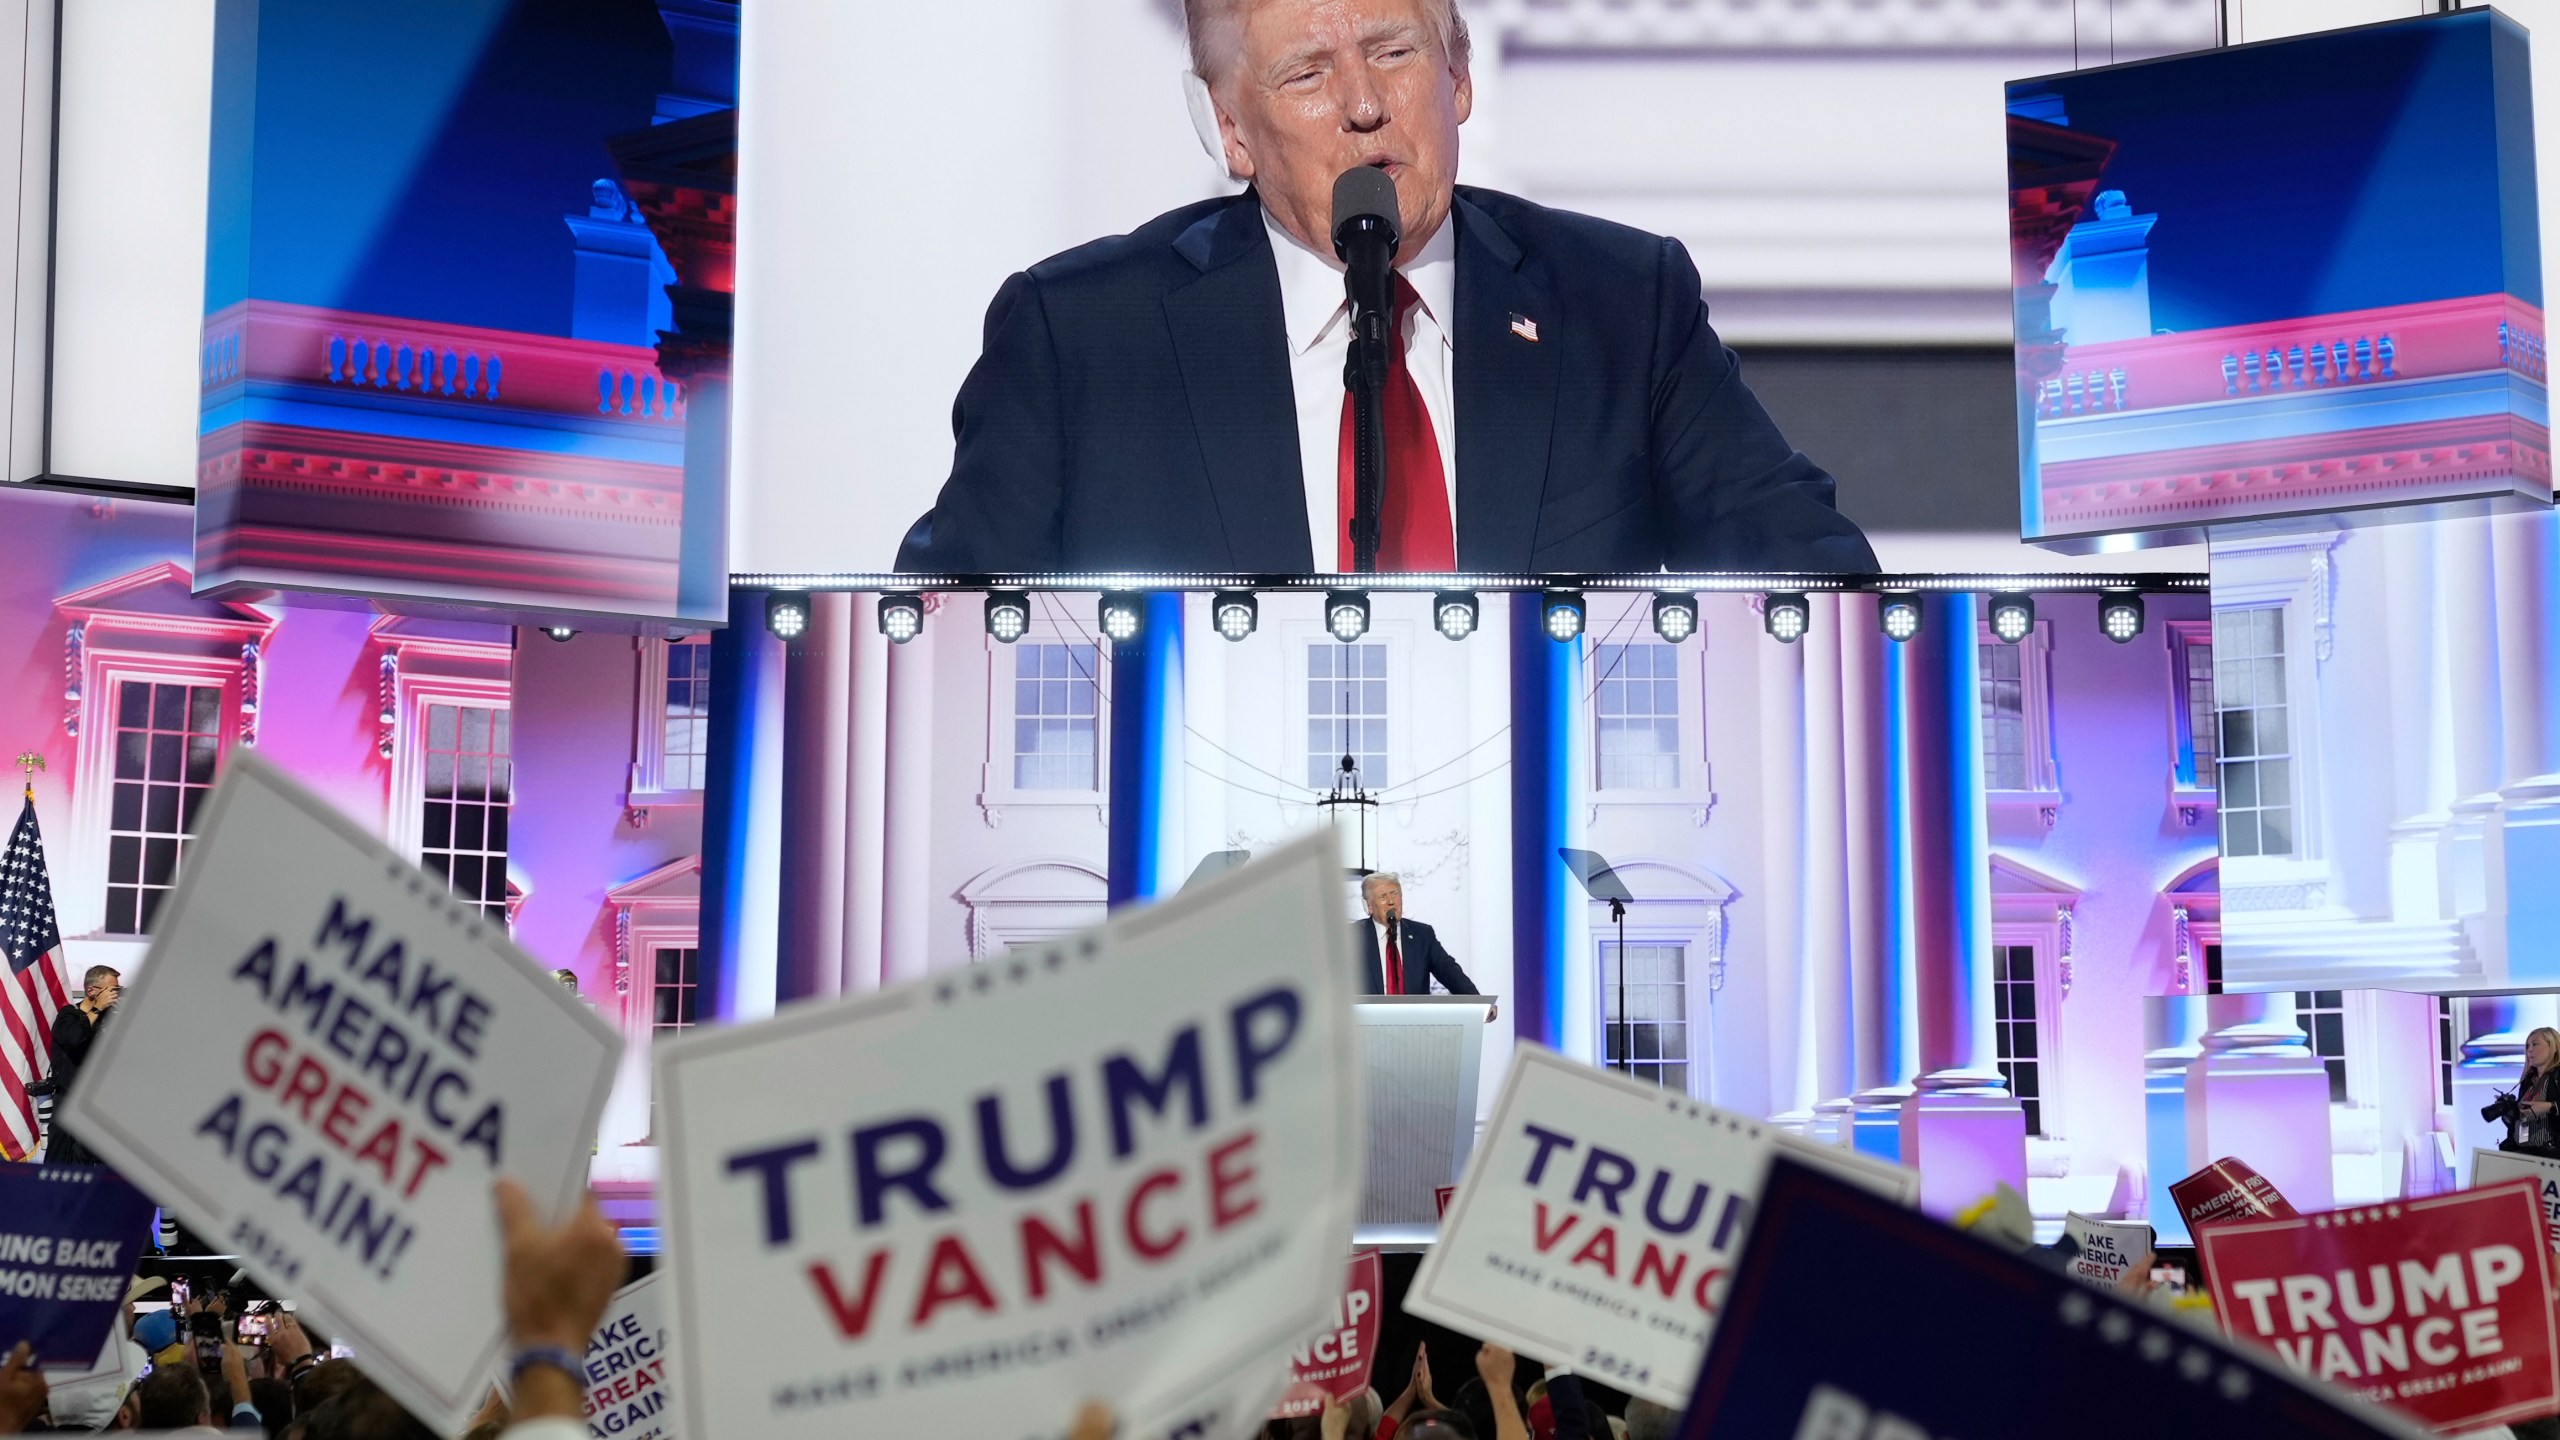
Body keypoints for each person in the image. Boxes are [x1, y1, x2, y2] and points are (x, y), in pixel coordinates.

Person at [895, 0, 1877, 576]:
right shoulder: (1084, 339)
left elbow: (1814, 578)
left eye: (1395, 53)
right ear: (1232, 130)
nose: (1365, 106)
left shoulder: (1622, 304)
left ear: (1457, 77)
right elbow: (942, 638)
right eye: (1309, 76)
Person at [1355, 874, 1492, 1021]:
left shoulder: (1422, 935)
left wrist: (1478, 1003)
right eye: (1382, 896)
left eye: (1395, 894)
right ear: (1368, 906)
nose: (1391, 902)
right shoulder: (1352, 937)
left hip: (1415, 1028)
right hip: (1367, 1027)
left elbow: (1449, 971)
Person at [45, 964, 118, 1165]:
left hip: (99, 1102)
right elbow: (74, 1038)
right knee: (59, 1161)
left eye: (117, 990)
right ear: (92, 991)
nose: (115, 995)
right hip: (68, 1099)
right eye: (111, 990)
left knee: (97, 1160)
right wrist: (97, 1008)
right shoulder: (68, 1015)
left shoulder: (111, 1019)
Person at [2489, 1025, 2560, 1156]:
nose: (2530, 1050)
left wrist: (2550, 1107)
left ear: (2552, 1046)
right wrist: (2510, 1114)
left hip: (2551, 1156)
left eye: (2535, 1044)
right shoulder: (2527, 1081)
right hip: (2524, 1152)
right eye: (2527, 1046)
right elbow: (2523, 1122)